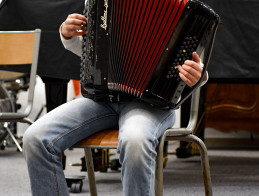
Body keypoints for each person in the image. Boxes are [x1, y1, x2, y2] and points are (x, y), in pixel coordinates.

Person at [23, 2, 208, 196]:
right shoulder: (102, 3)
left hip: (152, 103)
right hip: (102, 99)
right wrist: (67, 35)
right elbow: (94, 53)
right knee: (35, 138)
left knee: (135, 140)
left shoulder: (180, 6)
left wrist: (199, 76)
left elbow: (198, 63)